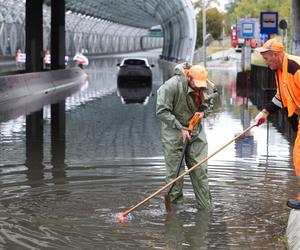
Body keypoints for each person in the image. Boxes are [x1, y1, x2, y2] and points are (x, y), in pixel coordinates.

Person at [156, 63, 218, 209]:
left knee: (200, 171)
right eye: (196, 85)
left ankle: (206, 210)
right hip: (173, 132)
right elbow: (161, 111)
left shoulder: (206, 85)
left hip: (195, 131)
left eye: (201, 86)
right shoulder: (171, 86)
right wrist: (180, 128)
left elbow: (210, 103)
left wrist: (203, 112)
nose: (199, 88)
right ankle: (174, 216)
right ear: (189, 77)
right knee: (175, 176)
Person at [254, 38, 300, 209]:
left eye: (267, 58)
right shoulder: (280, 71)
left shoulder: (296, 68)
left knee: (299, 156)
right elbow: (282, 97)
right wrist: (264, 113)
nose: (265, 62)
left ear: (277, 55)